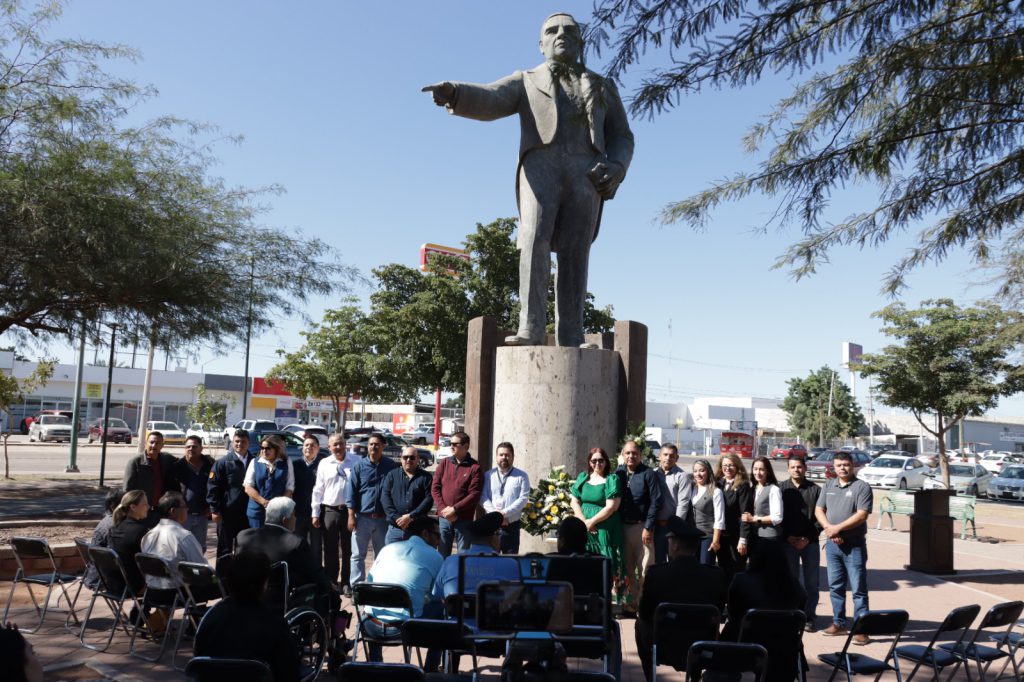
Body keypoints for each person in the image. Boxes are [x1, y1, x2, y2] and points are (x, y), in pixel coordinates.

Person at [422, 12, 634, 348]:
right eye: (552, 30)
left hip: (586, 173)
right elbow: (492, 98)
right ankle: (530, 329)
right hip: (540, 168)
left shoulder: (601, 85)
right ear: (541, 43)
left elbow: (622, 135)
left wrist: (619, 166)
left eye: (569, 30)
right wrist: (456, 93)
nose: (560, 34)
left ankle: (571, 335)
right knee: (534, 241)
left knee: (576, 252)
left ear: (580, 42)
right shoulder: (527, 80)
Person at [634, 516, 726, 682]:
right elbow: (718, 611)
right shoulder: (715, 575)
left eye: (670, 541)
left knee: (640, 625)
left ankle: (650, 678)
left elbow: (645, 613)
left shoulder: (657, 574)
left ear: (675, 544)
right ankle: (695, 676)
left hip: (664, 646)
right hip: (702, 647)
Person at [194, 549, 301, 682]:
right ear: (263, 585)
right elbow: (289, 674)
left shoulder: (210, 619)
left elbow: (198, 664)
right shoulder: (274, 625)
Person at [362, 516, 445, 662]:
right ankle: (430, 669)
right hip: (405, 629)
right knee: (443, 611)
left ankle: (375, 661)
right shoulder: (436, 557)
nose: (439, 541)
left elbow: (370, 582)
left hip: (370, 627)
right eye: (437, 536)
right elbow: (436, 595)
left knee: (373, 604)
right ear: (425, 534)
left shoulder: (386, 549)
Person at [815, 450, 873, 644]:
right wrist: (829, 529)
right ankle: (839, 623)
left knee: (858, 589)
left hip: (854, 546)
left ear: (852, 465)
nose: (842, 468)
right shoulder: (828, 485)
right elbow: (819, 509)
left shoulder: (861, 487)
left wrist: (836, 529)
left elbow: (862, 514)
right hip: (833, 547)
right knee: (835, 586)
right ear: (833, 466)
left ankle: (860, 629)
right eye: (839, 465)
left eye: (846, 464)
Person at [236, 497, 332, 596]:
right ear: (285, 520)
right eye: (294, 515)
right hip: (280, 601)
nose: (296, 518)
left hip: (245, 597)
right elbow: (315, 573)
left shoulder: (244, 536)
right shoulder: (296, 543)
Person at [721, 540, 807, 641]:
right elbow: (800, 614)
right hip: (784, 644)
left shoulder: (741, 580)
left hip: (747, 641)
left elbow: (733, 612)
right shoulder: (793, 583)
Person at [140, 492, 217, 603]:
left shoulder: (149, 535)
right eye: (184, 507)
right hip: (177, 593)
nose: (187, 509)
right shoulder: (183, 536)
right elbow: (201, 569)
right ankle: (201, 618)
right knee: (227, 584)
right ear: (173, 511)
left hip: (153, 591)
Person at [614, 440, 661, 614]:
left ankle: (644, 605)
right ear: (622, 455)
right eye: (627, 453)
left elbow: (656, 502)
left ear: (640, 455)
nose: (631, 456)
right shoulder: (618, 473)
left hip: (642, 528)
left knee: (645, 569)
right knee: (627, 568)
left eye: (634, 453)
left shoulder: (648, 474)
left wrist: (648, 527)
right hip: (622, 527)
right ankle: (630, 603)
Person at [346, 432, 398, 584]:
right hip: (362, 518)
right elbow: (351, 492)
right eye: (371, 444)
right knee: (357, 555)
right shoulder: (359, 466)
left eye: (377, 444)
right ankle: (357, 587)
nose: (373, 447)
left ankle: (377, 585)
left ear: (383, 446)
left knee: (381, 556)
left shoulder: (391, 466)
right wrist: (351, 515)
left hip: (383, 520)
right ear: (367, 447)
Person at [311, 433, 358, 593]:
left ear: (345, 444)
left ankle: (346, 582)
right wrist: (315, 513)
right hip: (329, 511)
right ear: (329, 447)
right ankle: (331, 581)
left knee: (348, 549)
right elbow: (318, 490)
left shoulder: (356, 461)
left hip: (349, 512)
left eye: (340, 443)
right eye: (334, 445)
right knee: (330, 550)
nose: (338, 447)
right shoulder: (324, 463)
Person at [569, 447, 624, 585]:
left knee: (605, 560)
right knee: (585, 560)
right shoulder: (583, 478)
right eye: (594, 460)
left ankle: (609, 592)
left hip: (604, 527)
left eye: (601, 460)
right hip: (585, 527)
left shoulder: (611, 479)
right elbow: (574, 501)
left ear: (606, 462)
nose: (597, 463)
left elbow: (611, 507)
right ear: (589, 462)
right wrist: (583, 522)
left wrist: (591, 522)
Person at [779, 455, 821, 631]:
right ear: (788, 469)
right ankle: (793, 614)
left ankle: (809, 616)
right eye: (793, 467)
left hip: (810, 543)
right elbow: (777, 516)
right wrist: (788, 536)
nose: (796, 470)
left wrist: (807, 538)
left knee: (812, 582)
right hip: (788, 542)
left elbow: (821, 517)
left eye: (799, 467)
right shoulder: (780, 489)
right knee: (791, 580)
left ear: (805, 468)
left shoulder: (816, 490)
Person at [430, 431, 483, 557]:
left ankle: (460, 577)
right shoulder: (444, 463)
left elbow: (474, 494)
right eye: (450, 443)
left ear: (466, 446)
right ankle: (443, 577)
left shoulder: (475, 467)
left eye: (455, 444)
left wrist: (454, 510)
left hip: (463, 520)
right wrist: (444, 510)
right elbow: (435, 488)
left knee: (463, 556)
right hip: (444, 518)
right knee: (442, 554)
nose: (451, 446)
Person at [207, 429, 252, 566]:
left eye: (243, 442)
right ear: (232, 443)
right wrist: (214, 510)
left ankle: (239, 580)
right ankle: (222, 580)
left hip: (247, 514)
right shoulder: (223, 463)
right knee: (224, 550)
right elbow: (212, 486)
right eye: (237, 441)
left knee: (244, 549)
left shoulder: (255, 462)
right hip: (227, 514)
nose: (240, 444)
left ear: (248, 443)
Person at [480, 442, 531, 554]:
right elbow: (483, 497)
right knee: (491, 561)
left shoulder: (522, 476)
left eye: (507, 455)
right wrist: (497, 516)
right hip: (491, 526)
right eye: (501, 455)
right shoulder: (488, 475)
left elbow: (523, 499)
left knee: (510, 560)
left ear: (513, 456)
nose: (504, 457)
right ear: (496, 456)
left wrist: (505, 513)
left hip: (511, 526)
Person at [381, 446, 433, 545]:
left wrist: (411, 517)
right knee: (393, 560)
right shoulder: (392, 475)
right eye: (405, 457)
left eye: (412, 457)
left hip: (418, 531)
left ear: (418, 459)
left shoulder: (426, 477)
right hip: (395, 530)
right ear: (401, 459)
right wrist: (397, 519)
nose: (408, 460)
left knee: (415, 560)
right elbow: (385, 498)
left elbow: (428, 499)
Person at [715, 452, 754, 585]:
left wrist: (743, 539)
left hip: (736, 536)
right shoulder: (718, 483)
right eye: (725, 465)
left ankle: (735, 603)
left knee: (736, 571)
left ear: (737, 467)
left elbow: (745, 514)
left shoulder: (742, 485)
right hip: (721, 535)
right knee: (722, 570)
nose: (727, 468)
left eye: (731, 465)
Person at [122, 432, 179, 519]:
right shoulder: (135, 462)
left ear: (162, 445)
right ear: (146, 443)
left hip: (160, 509)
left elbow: (184, 463)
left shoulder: (166, 459)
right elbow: (127, 489)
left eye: (157, 443)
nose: (154, 445)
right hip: (141, 510)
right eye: (151, 442)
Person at [243, 434, 295, 528]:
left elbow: (290, 486)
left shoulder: (286, 462)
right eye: (262, 448)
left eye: (267, 448)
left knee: (275, 541)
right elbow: (248, 487)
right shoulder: (255, 462)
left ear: (276, 449)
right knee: (257, 541)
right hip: (257, 511)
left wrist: (279, 506)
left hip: (278, 512)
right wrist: (264, 502)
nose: (264, 451)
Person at [174, 435, 215, 552]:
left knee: (199, 548)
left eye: (194, 446)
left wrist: (211, 507)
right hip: (183, 515)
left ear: (201, 448)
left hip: (203, 515)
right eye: (188, 446)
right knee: (181, 548)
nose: (191, 449)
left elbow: (216, 487)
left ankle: (198, 569)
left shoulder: (210, 465)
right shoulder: (177, 467)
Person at [653, 444, 692, 564]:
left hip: (671, 527)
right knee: (657, 562)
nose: (668, 458)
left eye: (672, 455)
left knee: (673, 561)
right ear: (659, 456)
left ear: (677, 458)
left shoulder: (682, 476)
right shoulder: (653, 473)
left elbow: (683, 504)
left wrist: (676, 528)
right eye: (665, 455)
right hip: (655, 526)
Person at [108, 490, 152, 594]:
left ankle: (139, 610)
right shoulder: (140, 531)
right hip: (135, 586)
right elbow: (149, 562)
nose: (149, 507)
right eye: (145, 504)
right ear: (133, 507)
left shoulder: (114, 527)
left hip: (115, 583)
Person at [83, 487, 123, 590]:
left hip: (93, 576)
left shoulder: (106, 521)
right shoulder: (114, 526)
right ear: (114, 507)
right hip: (104, 581)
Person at [292, 434, 327, 551]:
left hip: (317, 514)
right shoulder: (295, 465)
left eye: (312, 445)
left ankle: (315, 569)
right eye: (306, 445)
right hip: (298, 513)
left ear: (318, 448)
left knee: (315, 548)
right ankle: (298, 570)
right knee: (297, 546)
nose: (309, 447)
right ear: (302, 448)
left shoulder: (323, 465)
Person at [742, 456, 783, 545]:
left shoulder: (774, 489)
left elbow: (777, 518)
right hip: (754, 536)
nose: (757, 472)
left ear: (767, 471)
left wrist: (754, 519)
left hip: (769, 538)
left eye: (761, 469)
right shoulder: (752, 489)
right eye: (755, 469)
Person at [689, 459, 724, 566]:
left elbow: (719, 519)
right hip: (692, 537)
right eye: (695, 471)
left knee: (705, 569)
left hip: (708, 537)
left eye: (701, 471)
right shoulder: (690, 488)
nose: (698, 474)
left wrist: (716, 541)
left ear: (708, 471)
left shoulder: (715, 491)